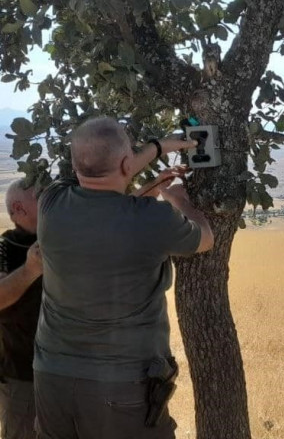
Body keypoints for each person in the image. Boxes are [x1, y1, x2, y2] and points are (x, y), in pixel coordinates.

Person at [33, 116, 213, 439]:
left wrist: (157, 149)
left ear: (75, 165)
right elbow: (205, 238)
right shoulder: (153, 219)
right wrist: (178, 199)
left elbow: (106, 195)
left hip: (51, 379)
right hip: (121, 385)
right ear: (127, 163)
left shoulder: (51, 204)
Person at [0, 179, 43, 439]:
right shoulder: (0, 248)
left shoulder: (62, 239)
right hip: (23, 376)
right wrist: (31, 270)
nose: (52, 200)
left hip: (68, 372)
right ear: (19, 208)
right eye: (42, 196)